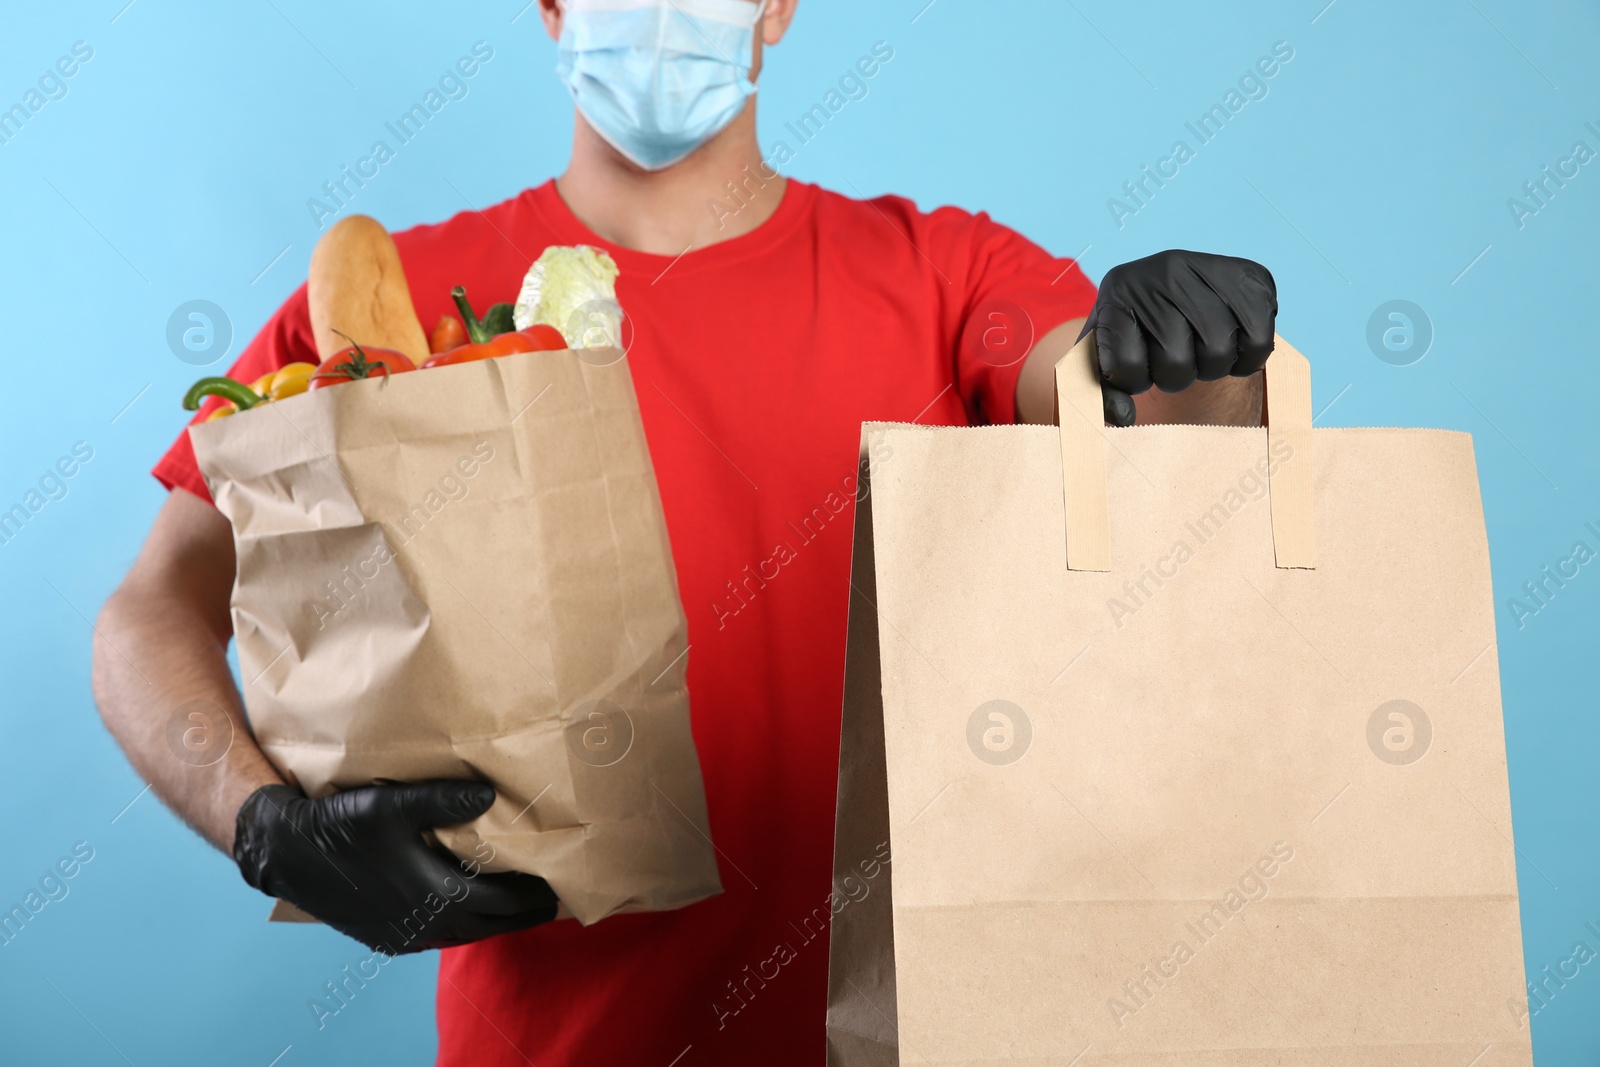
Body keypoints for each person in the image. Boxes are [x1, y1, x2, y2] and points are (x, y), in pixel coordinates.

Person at [91, 0, 1279, 1062]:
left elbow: (1130, 415)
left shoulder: (948, 272)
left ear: (776, 8)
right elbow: (151, 607)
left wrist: (1192, 343)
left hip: (913, 1030)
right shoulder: (388, 303)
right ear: (553, 8)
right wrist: (261, 822)